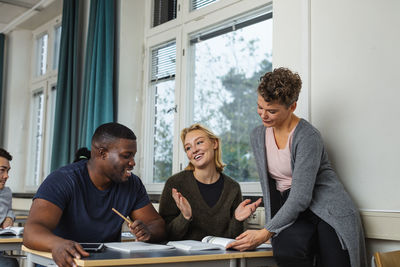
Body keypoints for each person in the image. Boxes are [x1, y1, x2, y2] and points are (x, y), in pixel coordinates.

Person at [226, 68, 367, 267]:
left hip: (327, 210)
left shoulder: (308, 136)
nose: (263, 115)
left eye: (272, 111)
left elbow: (301, 196)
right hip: (293, 209)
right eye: (260, 107)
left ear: (292, 106)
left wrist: (265, 231)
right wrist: (271, 228)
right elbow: (271, 188)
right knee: (286, 251)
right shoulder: (258, 135)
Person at [23, 122, 166, 267]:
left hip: (103, 263)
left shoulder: (132, 184)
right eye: (126, 156)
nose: (132, 163)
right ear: (102, 153)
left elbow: (156, 224)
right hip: (63, 263)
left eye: (133, 156)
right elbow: (31, 232)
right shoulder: (63, 180)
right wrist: (56, 244)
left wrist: (148, 232)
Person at [159, 123, 261, 241]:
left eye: (199, 142)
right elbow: (165, 235)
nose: (194, 150)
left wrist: (237, 220)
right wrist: (185, 217)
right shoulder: (175, 184)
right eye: (188, 148)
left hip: (221, 257)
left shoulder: (233, 188)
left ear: (214, 143)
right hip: (184, 258)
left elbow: (234, 239)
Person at [0, 148, 19, 267]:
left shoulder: (6, 193)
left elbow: (10, 210)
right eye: (2, 170)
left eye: (8, 171)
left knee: (11, 263)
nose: (7, 176)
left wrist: (9, 217)